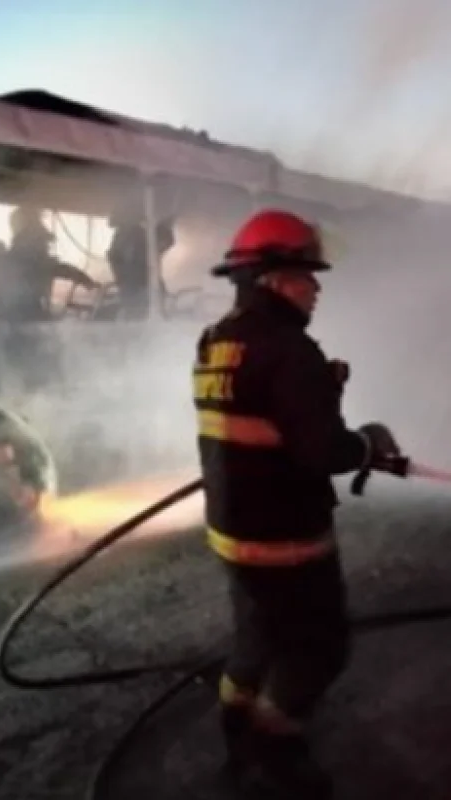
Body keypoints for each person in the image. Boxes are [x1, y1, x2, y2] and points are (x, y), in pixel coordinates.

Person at [192, 209, 403, 799]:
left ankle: (236, 730)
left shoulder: (216, 341)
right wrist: (369, 443)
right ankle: (275, 751)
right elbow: (323, 451)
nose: (316, 288)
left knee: (256, 637)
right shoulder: (290, 350)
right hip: (285, 535)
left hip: (230, 528)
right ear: (274, 279)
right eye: (306, 276)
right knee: (317, 648)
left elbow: (258, 418)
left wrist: (319, 390)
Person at [0, 206, 99, 322]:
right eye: (43, 242)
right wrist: (86, 280)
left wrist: (85, 280)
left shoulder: (11, 257)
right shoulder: (26, 256)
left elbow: (58, 268)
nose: (46, 247)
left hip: (17, 317)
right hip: (22, 317)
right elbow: (58, 268)